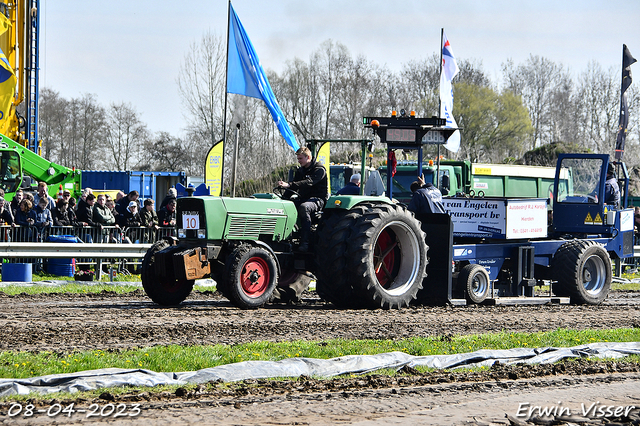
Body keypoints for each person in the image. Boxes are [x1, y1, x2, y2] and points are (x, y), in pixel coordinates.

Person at [277, 146, 329, 251]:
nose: (299, 161)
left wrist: (289, 185)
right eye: (298, 159)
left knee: (304, 207)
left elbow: (308, 183)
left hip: (318, 200)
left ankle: (305, 241)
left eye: (300, 158)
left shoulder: (319, 170)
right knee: (286, 206)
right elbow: (293, 187)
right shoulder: (301, 171)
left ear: (308, 157)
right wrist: (283, 200)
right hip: (303, 198)